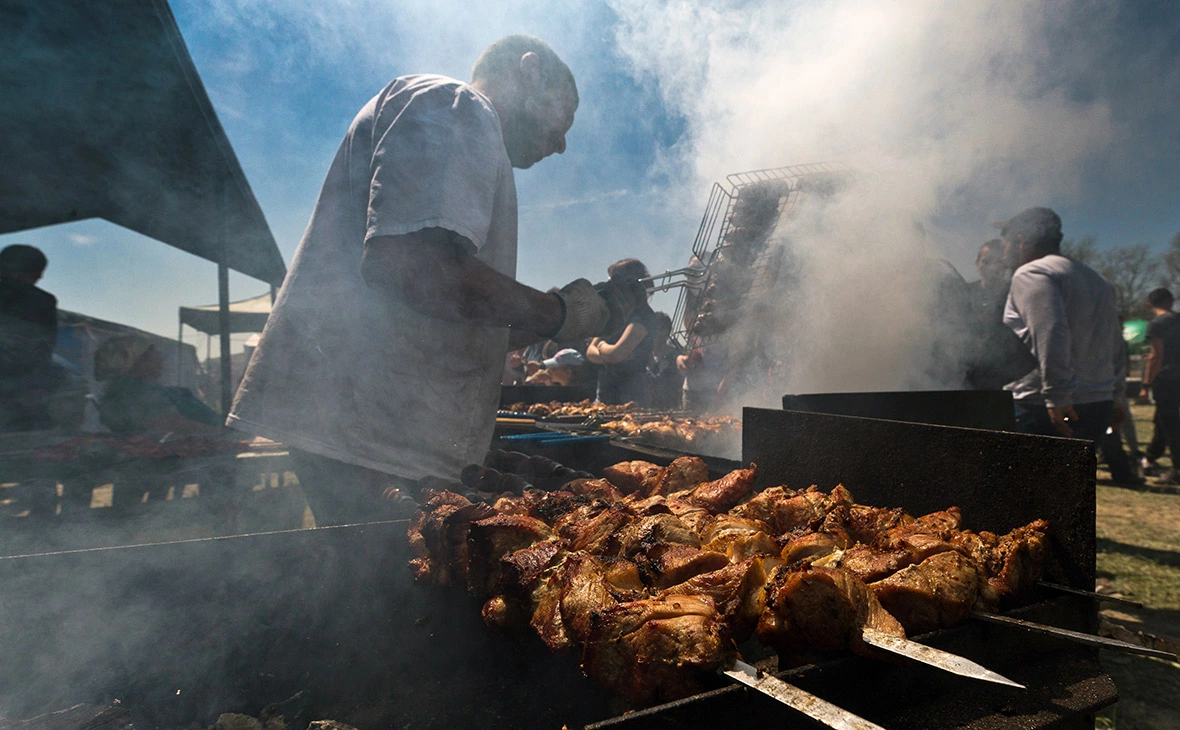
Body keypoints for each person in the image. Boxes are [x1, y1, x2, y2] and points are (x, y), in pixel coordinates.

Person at [227, 36, 644, 525]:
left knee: (376, 585)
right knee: (379, 588)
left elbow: (457, 317)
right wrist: (560, 312)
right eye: (564, 120)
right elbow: (411, 265)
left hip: (371, 429)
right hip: (368, 432)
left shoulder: (463, 124)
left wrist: (571, 317)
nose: (561, 143)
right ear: (530, 72)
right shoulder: (456, 105)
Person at [998, 207, 1125, 446]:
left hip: (1044, 407)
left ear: (1021, 242)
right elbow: (1115, 344)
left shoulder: (1033, 273)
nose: (1003, 252)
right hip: (1097, 401)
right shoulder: (1099, 281)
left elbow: (1050, 333)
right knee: (1074, 481)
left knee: (1031, 482)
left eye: (1005, 243)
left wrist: (1057, 395)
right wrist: (1116, 396)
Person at [94, 335, 222, 435]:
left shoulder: (145, 390)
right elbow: (173, 425)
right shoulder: (134, 392)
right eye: (154, 351)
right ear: (138, 360)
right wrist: (224, 433)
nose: (161, 356)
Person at [0, 244, 58, 431]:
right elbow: (43, 349)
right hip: (16, 395)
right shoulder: (40, 301)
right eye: (39, 272)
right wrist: (38, 387)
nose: (40, 277)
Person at [587, 258, 658, 406]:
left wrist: (601, 347)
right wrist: (607, 352)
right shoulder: (614, 313)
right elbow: (589, 353)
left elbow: (617, 353)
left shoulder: (643, 315)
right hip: (605, 391)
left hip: (632, 393)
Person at [1139, 288, 1180, 483]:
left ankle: (1177, 469)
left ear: (1149, 304)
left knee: (1170, 423)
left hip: (1167, 379)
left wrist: (1146, 384)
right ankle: (1150, 458)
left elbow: (1156, 357)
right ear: (1170, 301)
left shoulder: (1156, 325)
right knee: (1162, 421)